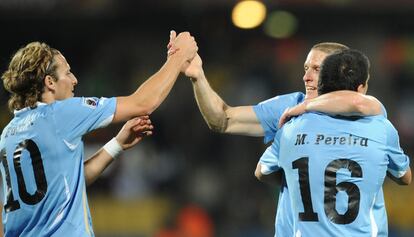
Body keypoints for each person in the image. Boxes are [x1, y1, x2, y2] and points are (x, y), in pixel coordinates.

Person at [167, 33, 384, 236]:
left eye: (317, 69)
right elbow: (223, 120)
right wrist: (198, 77)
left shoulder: (368, 115)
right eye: (306, 68)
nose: (306, 77)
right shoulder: (289, 107)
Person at [0, 32, 197, 236]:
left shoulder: (8, 134)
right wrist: (178, 57)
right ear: (50, 82)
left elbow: (66, 183)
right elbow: (143, 103)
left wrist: (116, 145)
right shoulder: (59, 114)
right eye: (67, 73)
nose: (75, 80)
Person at [259, 49, 411, 236]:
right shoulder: (381, 128)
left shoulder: (291, 129)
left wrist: (303, 179)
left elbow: (262, 172)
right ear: (361, 88)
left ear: (322, 85)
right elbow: (404, 176)